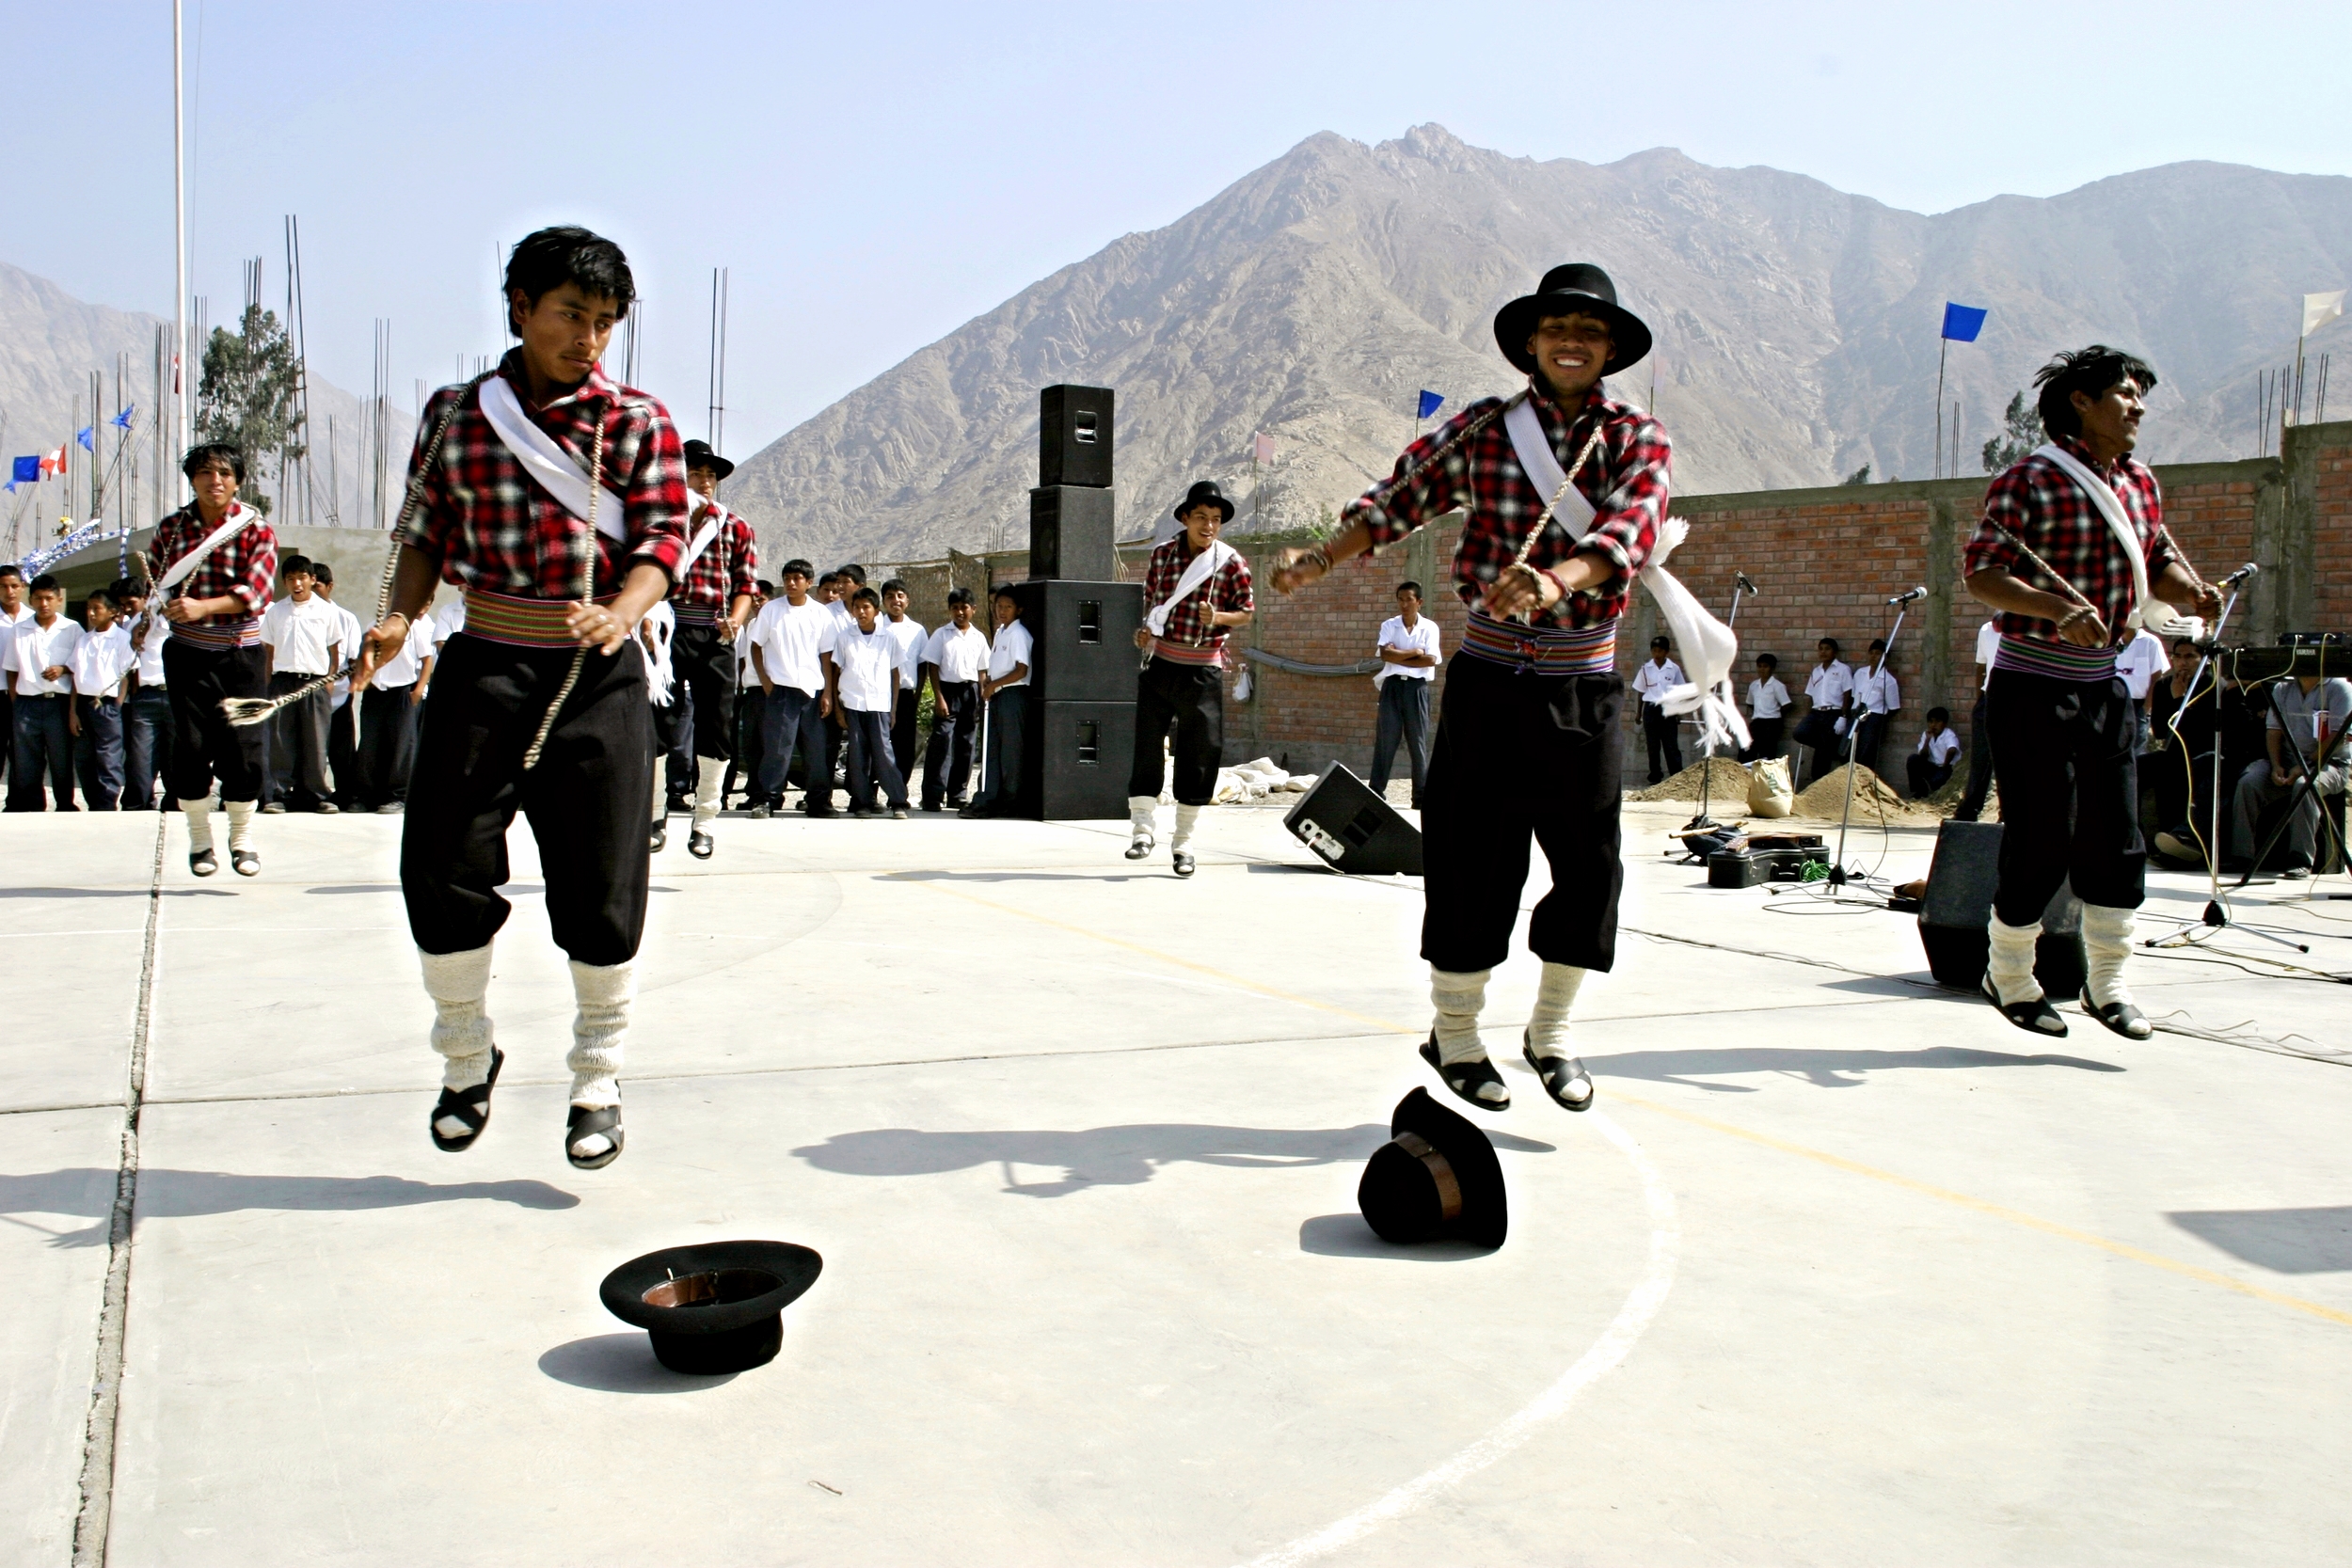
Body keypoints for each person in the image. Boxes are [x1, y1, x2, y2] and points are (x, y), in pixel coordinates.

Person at [1269, 261, 1676, 1117]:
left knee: (1590, 863)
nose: (1573, 341)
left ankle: (1551, 1032)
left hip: (1583, 683)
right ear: (1530, 342)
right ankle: (1455, 1033)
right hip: (1489, 678)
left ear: (1610, 351)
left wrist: (1554, 580)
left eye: (1591, 331)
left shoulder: (1639, 437)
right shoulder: (1485, 429)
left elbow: (1627, 530)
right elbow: (1395, 502)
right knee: (1469, 854)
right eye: (1557, 327)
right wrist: (1320, 559)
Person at [353, 225, 691, 1171]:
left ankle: (597, 1074)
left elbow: (662, 541)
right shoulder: (458, 413)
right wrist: (395, 619)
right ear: (520, 309)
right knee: (441, 865)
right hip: (485, 662)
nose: (589, 338)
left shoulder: (635, 421)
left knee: (602, 880)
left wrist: (622, 609)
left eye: (605, 322)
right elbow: (424, 528)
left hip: (598, 675)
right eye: (571, 316)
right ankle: (466, 1055)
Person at [1963, 344, 2220, 1040]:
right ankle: (2011, 975)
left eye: (2141, 397)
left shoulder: (2140, 483)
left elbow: (2156, 560)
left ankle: (2106, 984)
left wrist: (2190, 592)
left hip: (2106, 686)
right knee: (2043, 834)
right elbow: (1983, 574)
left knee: (2118, 837)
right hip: (2029, 685)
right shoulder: (2030, 481)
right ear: (2082, 400)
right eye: (2127, 393)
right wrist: (2054, 609)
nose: (2138, 408)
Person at [151, 442, 277, 874]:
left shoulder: (255, 529)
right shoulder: (171, 529)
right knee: (190, 746)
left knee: (245, 750)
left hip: (240, 656)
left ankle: (241, 836)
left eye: (224, 473)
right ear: (192, 479)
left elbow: (258, 593)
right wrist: (165, 605)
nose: (215, 481)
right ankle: (200, 839)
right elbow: (157, 581)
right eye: (205, 472)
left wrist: (204, 607)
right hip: (186, 654)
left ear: (238, 480)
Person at [1125, 481, 1254, 873]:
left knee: (1200, 755)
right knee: (1147, 746)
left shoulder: (1230, 563)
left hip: (1203, 671)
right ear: (1185, 518)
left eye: (1215, 519)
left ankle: (1183, 843)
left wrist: (1218, 618)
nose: (1209, 526)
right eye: (1201, 517)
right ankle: (1142, 830)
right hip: (1161, 665)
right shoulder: (1163, 556)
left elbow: (1246, 612)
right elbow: (1152, 607)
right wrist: (1144, 633)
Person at [663, 439, 756, 857]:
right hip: (665, 633)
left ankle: (705, 819)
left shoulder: (735, 527)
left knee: (716, 727)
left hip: (715, 636)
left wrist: (735, 621)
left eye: (710, 476)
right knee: (659, 725)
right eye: (696, 473)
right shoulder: (661, 520)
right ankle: (653, 813)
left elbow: (746, 587)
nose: (704, 482)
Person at [2228, 664, 2350, 878]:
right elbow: (2273, 731)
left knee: (2306, 786)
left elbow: (2340, 737)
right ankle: (2242, 856)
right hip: (2287, 760)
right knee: (2249, 781)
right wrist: (2276, 765)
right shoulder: (2282, 688)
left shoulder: (2339, 688)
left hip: (2329, 763)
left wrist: (2303, 767)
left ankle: (2300, 859)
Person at [749, 560, 833, 817]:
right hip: (781, 691)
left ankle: (818, 801)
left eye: (797, 578)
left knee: (816, 750)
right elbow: (756, 646)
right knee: (777, 750)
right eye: (787, 578)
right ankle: (768, 800)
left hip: (812, 692)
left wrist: (828, 692)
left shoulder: (820, 613)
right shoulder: (772, 610)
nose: (791, 583)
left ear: (809, 583)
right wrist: (766, 681)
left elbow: (826, 655)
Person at [259, 554, 342, 814]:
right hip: (283, 682)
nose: (297, 584)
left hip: (315, 682)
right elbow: (268, 652)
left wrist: (329, 681)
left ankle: (316, 795)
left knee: (316, 741)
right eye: (291, 579)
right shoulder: (276, 612)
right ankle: (280, 795)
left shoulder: (327, 611)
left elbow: (334, 651)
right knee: (281, 741)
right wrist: (269, 685)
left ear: (312, 579)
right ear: (284, 582)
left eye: (302, 578)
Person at [824, 586, 911, 818]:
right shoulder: (844, 637)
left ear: (876, 610)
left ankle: (898, 801)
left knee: (884, 753)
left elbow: (895, 675)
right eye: (857, 607)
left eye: (866, 607)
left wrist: (892, 709)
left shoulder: (888, 638)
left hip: (880, 705)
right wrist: (839, 708)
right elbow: (836, 671)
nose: (861, 612)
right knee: (857, 755)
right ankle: (861, 801)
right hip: (853, 704)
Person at [5, 574, 83, 810]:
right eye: (38, 598)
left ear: (59, 599)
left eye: (49, 598)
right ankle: (32, 806)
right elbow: (11, 669)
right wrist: (16, 701)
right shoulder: (20, 630)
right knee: (26, 761)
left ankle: (65, 805)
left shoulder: (71, 629)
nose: (44, 604)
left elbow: (80, 669)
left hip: (58, 703)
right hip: (26, 704)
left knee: (60, 759)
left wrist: (63, 670)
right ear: (30, 600)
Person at [353, 603, 435, 813]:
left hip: (402, 692)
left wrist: (418, 690)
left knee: (402, 746)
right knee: (370, 746)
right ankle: (365, 795)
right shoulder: (374, 626)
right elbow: (364, 659)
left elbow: (427, 660)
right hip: (375, 693)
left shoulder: (414, 627)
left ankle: (398, 796)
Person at [962, 585, 1032, 818]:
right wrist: (991, 682)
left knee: (1011, 753)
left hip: (1013, 695)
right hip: (997, 695)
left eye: (1008, 607)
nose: (1002, 611)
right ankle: (986, 798)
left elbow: (1022, 669)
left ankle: (1010, 801)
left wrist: (994, 684)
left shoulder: (1019, 634)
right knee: (991, 750)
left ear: (1018, 609)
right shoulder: (1002, 631)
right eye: (998, 606)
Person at [1368, 579, 1439, 806]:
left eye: (1409, 599)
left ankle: (1420, 797)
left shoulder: (1430, 627)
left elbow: (1430, 660)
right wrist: (1414, 652)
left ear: (1419, 602)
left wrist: (1401, 654)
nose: (1404, 604)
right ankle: (1376, 792)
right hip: (1392, 687)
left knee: (1417, 742)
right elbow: (1385, 655)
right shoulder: (1390, 625)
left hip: (1416, 689)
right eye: (1400, 599)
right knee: (1386, 740)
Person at [920, 586, 988, 811]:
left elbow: (982, 671)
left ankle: (957, 793)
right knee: (942, 741)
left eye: (964, 608)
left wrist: (982, 697)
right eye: (955, 608)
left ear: (973, 609)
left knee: (967, 743)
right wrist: (939, 698)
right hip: (947, 691)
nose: (960, 612)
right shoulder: (941, 634)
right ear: (949, 610)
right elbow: (933, 667)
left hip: (971, 692)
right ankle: (932, 795)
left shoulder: (978, 637)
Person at [72, 586, 134, 810]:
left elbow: (128, 674)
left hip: (107, 703)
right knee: (84, 757)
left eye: (96, 608)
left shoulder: (122, 638)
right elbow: (75, 678)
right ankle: (93, 802)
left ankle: (107, 802)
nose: (91, 613)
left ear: (113, 611)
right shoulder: (84, 640)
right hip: (84, 704)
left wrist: (117, 703)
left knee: (108, 757)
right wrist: (73, 712)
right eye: (89, 608)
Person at [311, 562, 366, 806]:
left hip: (339, 696)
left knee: (341, 751)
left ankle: (347, 794)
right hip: (309, 697)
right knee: (311, 750)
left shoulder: (345, 619)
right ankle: (314, 794)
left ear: (330, 587)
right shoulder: (299, 616)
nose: (312, 593)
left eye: (318, 587)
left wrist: (351, 691)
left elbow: (353, 658)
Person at [117, 578, 173, 810]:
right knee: (140, 758)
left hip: (173, 695)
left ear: (144, 598)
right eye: (123, 605)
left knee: (174, 758)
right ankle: (138, 804)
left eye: (131, 603)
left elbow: (164, 599)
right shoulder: (130, 627)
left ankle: (176, 804)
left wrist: (150, 612)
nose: (128, 609)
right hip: (144, 698)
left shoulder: (163, 619)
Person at [720, 578, 770, 810]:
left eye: (762, 599)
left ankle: (767, 794)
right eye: (754, 600)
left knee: (768, 745)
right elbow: (741, 662)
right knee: (750, 747)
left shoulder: (775, 623)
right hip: (747, 692)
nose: (758, 604)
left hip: (771, 691)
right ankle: (750, 793)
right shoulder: (745, 628)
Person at [877, 578, 927, 806]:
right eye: (890, 596)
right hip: (878, 695)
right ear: (883, 601)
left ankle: (899, 793)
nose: (895, 601)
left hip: (906, 695)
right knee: (879, 745)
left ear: (907, 600)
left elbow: (922, 664)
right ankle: (869, 795)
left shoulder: (917, 630)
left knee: (905, 748)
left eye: (899, 596)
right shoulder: (877, 627)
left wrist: (916, 698)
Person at [1952, 617, 2001, 821]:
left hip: (2015, 698)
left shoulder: (2027, 628)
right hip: (1988, 698)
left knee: (2009, 760)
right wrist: (1979, 697)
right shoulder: (1987, 629)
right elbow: (1980, 666)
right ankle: (1970, 810)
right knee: (1980, 759)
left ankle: (2008, 813)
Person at [1793, 638, 1853, 787]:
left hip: (1833, 713)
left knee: (1823, 751)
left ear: (1835, 651)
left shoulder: (1842, 670)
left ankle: (1818, 783)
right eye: (1821, 649)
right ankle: (1832, 748)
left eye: (1827, 649)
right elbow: (1809, 694)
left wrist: (1843, 717)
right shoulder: (1816, 671)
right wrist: (1808, 715)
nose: (1823, 652)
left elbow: (1847, 694)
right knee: (1799, 733)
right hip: (1816, 712)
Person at [1630, 634, 1685, 784]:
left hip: (1668, 709)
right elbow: (1641, 691)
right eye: (1654, 651)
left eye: (1660, 651)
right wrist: (1639, 713)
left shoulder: (1673, 669)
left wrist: (1679, 712)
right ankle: (1655, 777)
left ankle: (1676, 777)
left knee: (1671, 745)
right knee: (1653, 746)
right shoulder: (1646, 669)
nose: (1657, 654)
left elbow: (1679, 691)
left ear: (1666, 652)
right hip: (1651, 709)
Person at [2116, 626, 2167, 755]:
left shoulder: (2150, 642)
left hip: (2138, 705)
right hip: (2114, 702)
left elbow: (2157, 677)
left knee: (2136, 750)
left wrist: (2145, 708)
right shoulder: (2110, 642)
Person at [1851, 639, 1899, 776]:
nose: (1873, 656)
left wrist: (1877, 719)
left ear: (1885, 657)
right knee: (1850, 748)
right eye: (1871, 653)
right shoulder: (1860, 673)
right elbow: (1855, 695)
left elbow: (1893, 707)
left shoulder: (1888, 680)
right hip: (1856, 715)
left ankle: (1863, 782)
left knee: (1866, 752)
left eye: (1878, 653)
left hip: (1873, 717)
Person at [0, 563, 28, 799]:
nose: (9, 591)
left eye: (14, 586)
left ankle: (17, 802)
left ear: (22, 587)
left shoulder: (33, 618)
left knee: (22, 753)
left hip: (23, 695)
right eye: (3, 586)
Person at [1742, 653, 1789, 761]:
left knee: (1767, 751)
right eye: (1759, 666)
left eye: (1765, 666)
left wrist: (1774, 712)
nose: (1762, 669)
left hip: (1772, 723)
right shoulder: (1754, 685)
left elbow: (1787, 704)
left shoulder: (1777, 686)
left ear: (1772, 668)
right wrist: (1760, 711)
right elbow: (1750, 702)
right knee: (1747, 748)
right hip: (1757, 721)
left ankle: (1765, 776)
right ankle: (1746, 774)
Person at [1907, 706, 1960, 799]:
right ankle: (1920, 791)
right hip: (1934, 767)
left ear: (1944, 723)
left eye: (1937, 722)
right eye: (1931, 722)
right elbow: (1923, 756)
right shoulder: (1926, 734)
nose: (1933, 725)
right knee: (1913, 759)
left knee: (1937, 781)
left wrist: (1944, 766)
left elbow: (1952, 749)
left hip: (1947, 768)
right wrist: (1927, 740)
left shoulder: (1948, 734)